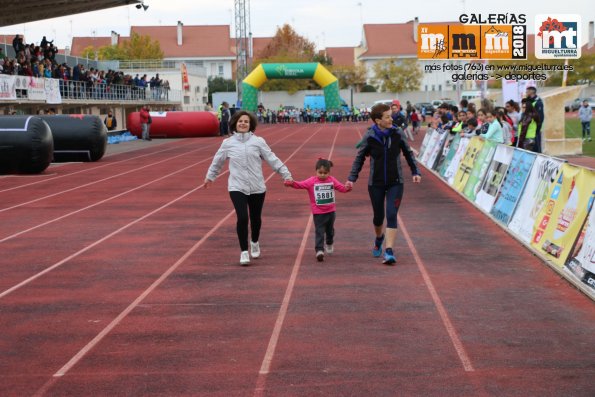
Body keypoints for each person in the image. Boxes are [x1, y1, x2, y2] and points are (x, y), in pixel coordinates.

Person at [204, 110, 293, 265]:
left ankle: (255, 242)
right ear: (235, 124)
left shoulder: (258, 142)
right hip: (237, 186)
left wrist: (285, 174)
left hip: (257, 186)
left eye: (246, 121)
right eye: (240, 121)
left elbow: (272, 158)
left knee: (256, 218)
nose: (243, 123)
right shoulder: (228, 143)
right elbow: (217, 162)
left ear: (250, 124)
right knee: (243, 218)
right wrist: (210, 176)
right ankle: (244, 251)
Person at [346, 103, 421, 265]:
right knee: (378, 217)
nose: (391, 118)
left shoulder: (398, 133)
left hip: (396, 182)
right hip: (376, 183)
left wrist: (415, 171)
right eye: (387, 116)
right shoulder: (370, 136)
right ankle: (379, 238)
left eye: (390, 115)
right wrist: (352, 178)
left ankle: (389, 251)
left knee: (392, 214)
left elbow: (408, 153)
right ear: (378, 120)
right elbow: (360, 158)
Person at [284, 158, 351, 261]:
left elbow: (341, 188)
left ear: (329, 172)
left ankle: (329, 242)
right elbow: (300, 185)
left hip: (331, 212)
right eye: (320, 172)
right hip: (318, 213)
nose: (322, 175)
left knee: (330, 231)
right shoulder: (311, 181)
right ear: (316, 171)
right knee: (319, 231)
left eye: (325, 173)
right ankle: (319, 250)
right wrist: (291, 183)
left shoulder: (332, 180)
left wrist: (347, 188)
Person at [526, 86, 544, 152]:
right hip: (529, 128)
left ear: (531, 92)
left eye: (527, 91)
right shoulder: (528, 101)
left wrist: (537, 128)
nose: (526, 93)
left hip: (535, 128)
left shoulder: (538, 102)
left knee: (536, 147)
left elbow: (540, 117)